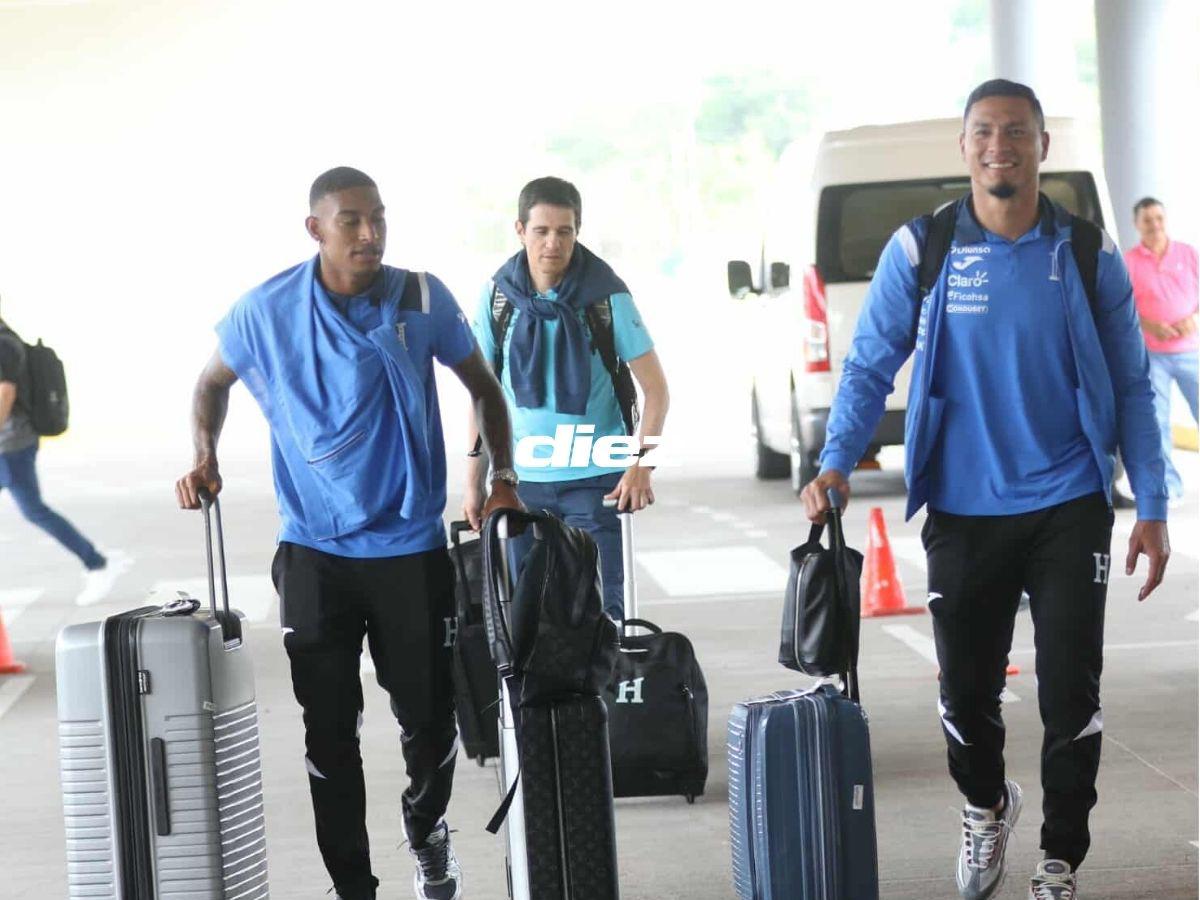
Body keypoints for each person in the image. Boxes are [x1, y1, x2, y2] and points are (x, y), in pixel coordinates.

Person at [800, 80, 1170, 900]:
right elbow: (867, 367)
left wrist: (1152, 502)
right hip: (963, 508)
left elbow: (1134, 383)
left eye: (1016, 132)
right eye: (984, 133)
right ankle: (986, 807)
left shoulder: (1084, 252)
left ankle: (1058, 860)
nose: (999, 145)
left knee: (1071, 685)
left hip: (1068, 500)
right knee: (966, 692)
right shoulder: (922, 249)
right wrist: (834, 461)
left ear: (1042, 146)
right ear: (964, 149)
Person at [175, 167, 518, 900]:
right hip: (315, 553)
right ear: (316, 229)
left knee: (430, 725)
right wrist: (203, 456)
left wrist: (500, 480)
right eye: (352, 221)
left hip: (411, 550)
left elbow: (484, 388)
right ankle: (352, 886)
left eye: (379, 219)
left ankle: (426, 831)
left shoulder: (421, 298)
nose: (370, 234)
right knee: (328, 736)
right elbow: (210, 383)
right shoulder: (265, 312)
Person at [461, 176, 669, 624]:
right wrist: (473, 481)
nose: (553, 243)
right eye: (541, 231)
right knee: (525, 619)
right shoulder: (498, 297)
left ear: (578, 230)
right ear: (520, 230)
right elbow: (482, 393)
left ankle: (603, 697)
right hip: (519, 483)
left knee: (601, 617)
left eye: (565, 231)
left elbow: (657, 390)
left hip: (597, 482)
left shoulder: (606, 297)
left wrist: (641, 466)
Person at [0, 302, 107, 572]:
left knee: (34, 510)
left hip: (10, 444)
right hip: (12, 443)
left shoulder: (4, 345)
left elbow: (5, 393)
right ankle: (92, 558)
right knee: (34, 510)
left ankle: (93, 559)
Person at [1124, 196, 1199, 503]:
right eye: (1147, 220)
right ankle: (1170, 485)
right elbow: (1122, 306)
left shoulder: (1188, 254)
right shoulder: (1128, 261)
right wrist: (1148, 325)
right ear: (1137, 224)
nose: (1154, 225)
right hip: (1152, 355)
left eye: (1159, 218)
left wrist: (1193, 319)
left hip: (1190, 350)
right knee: (1157, 421)